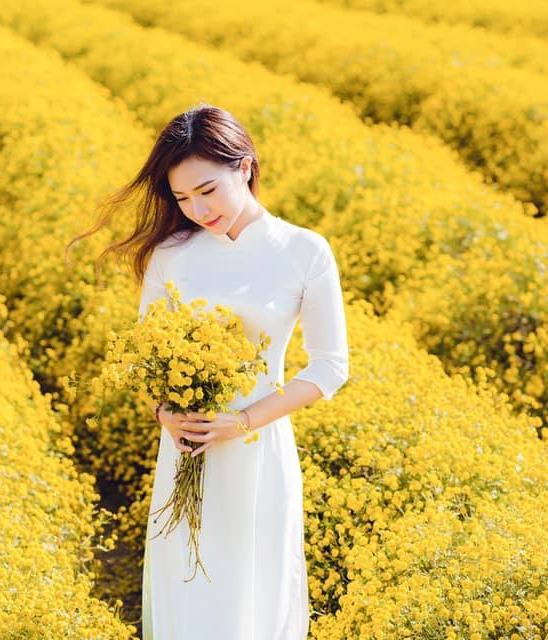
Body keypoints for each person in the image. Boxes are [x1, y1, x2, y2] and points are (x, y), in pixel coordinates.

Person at [75, 103, 349, 639]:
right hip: (185, 448)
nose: (198, 209)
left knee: (252, 591)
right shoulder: (171, 254)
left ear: (244, 167)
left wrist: (241, 422)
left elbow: (329, 367)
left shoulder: (303, 251)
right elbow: (146, 357)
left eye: (207, 190)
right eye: (182, 198)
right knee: (188, 589)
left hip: (258, 448)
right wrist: (166, 415)